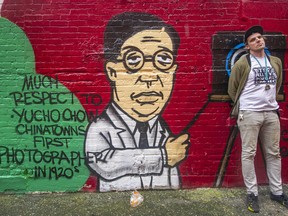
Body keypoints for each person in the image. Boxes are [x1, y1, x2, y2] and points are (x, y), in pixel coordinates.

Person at [85, 12, 190, 192]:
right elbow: (104, 163)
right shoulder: (101, 127)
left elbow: (172, 179)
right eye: (133, 60)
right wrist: (162, 156)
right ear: (112, 71)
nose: (149, 76)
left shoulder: (162, 131)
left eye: (163, 60)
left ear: (173, 71)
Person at [228, 25, 287, 213]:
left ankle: (276, 192)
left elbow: (277, 84)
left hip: (271, 112)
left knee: (274, 153)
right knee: (249, 153)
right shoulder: (243, 63)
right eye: (253, 40)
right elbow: (233, 88)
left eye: (260, 37)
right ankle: (252, 193)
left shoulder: (275, 61)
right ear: (247, 46)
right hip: (249, 113)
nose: (258, 40)